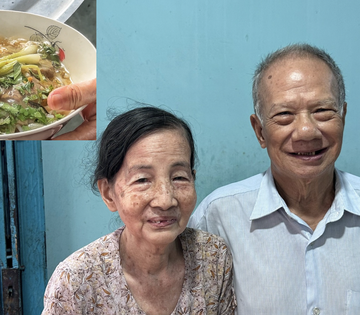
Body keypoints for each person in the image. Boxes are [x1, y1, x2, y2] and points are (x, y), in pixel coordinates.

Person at [188, 43, 360, 314]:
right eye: (284, 115)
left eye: (322, 111)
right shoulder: (217, 218)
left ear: (343, 117)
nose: (306, 131)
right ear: (260, 131)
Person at [42, 106, 237, 314]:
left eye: (179, 177)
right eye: (142, 179)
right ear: (109, 194)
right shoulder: (76, 281)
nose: (165, 200)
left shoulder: (212, 258)